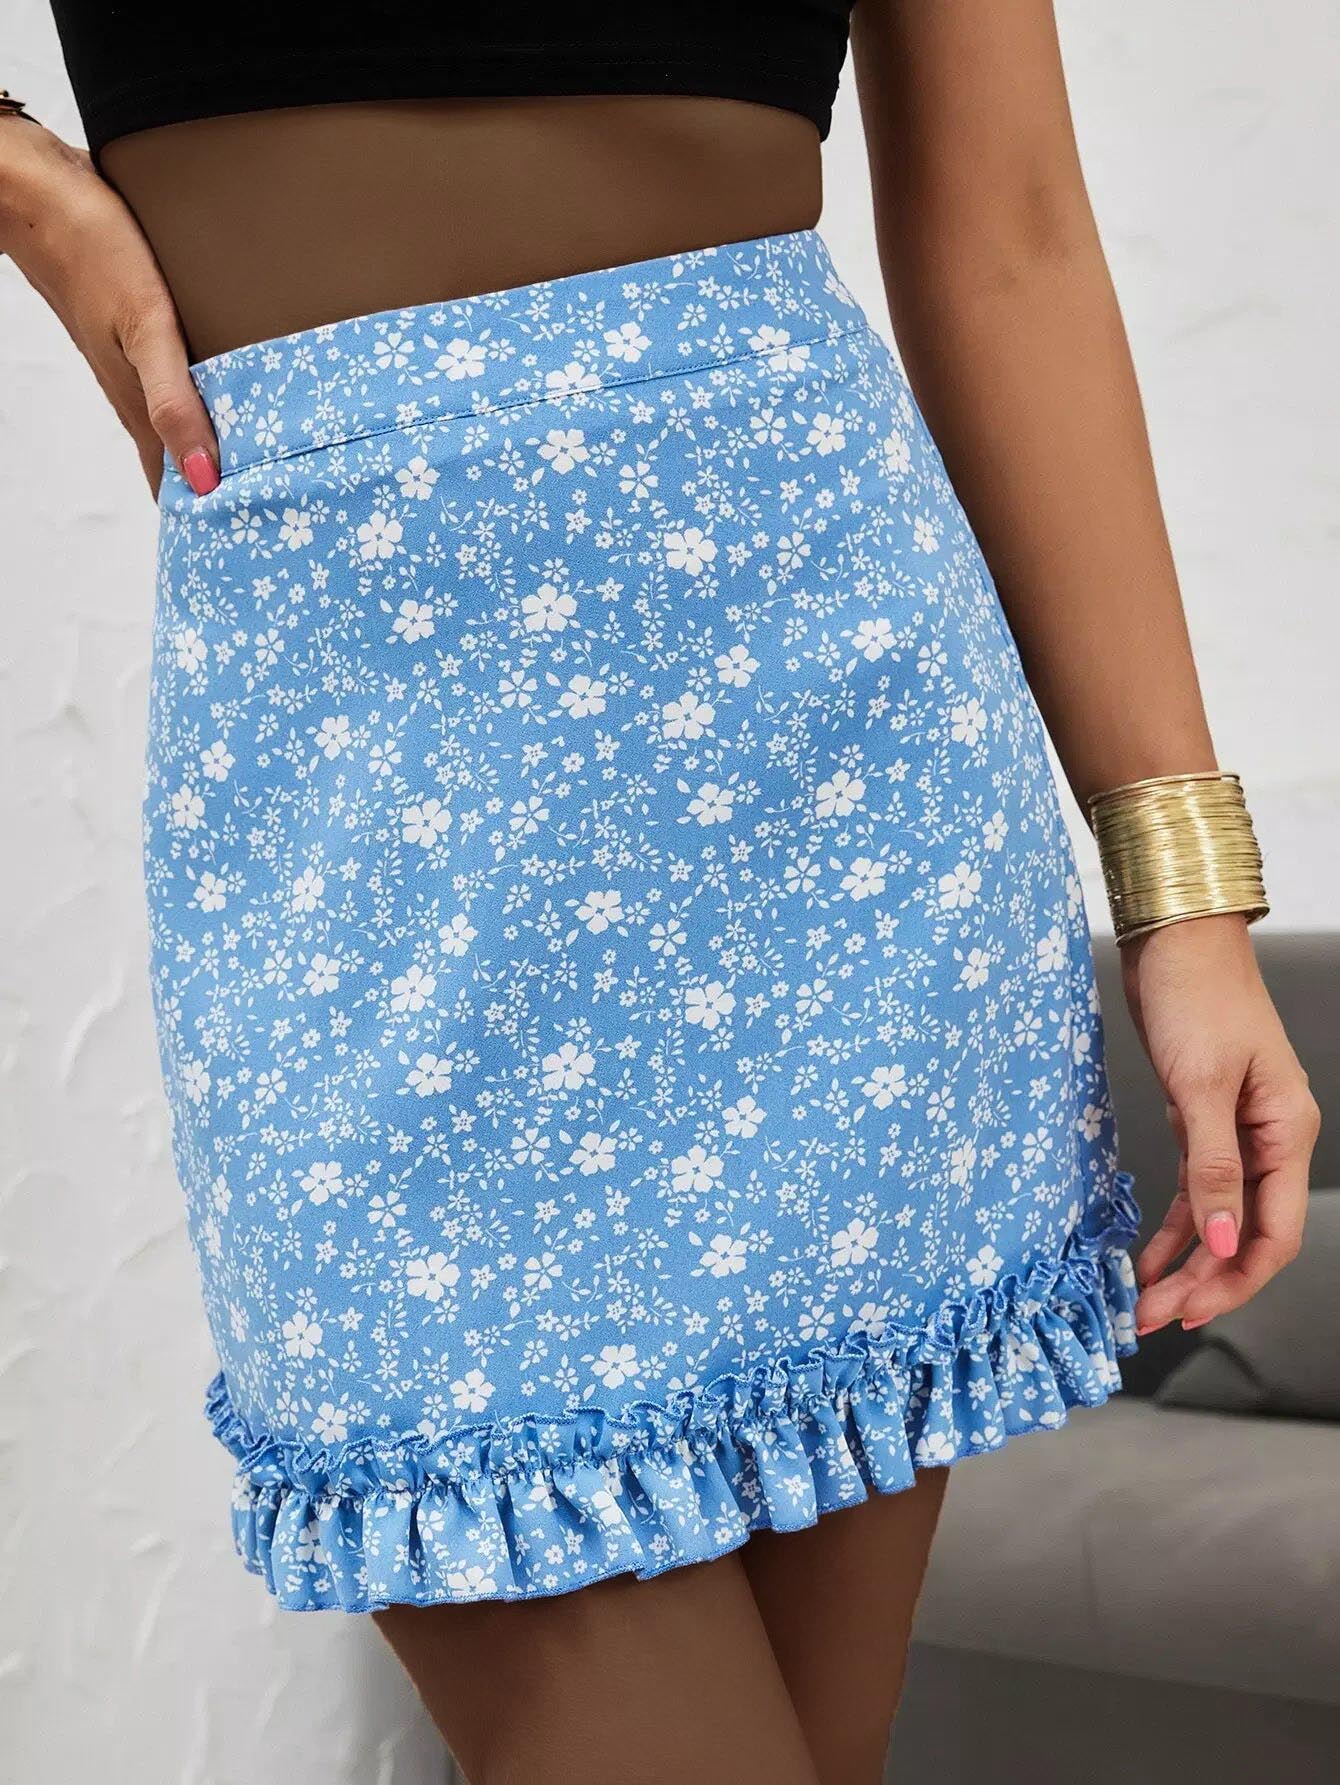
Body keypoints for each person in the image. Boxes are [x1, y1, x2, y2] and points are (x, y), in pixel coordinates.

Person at [1, 5, 1319, 1781]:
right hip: (358, 808)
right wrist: (21, 181)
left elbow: (1008, 231)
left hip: (833, 767)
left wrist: (1186, 903)